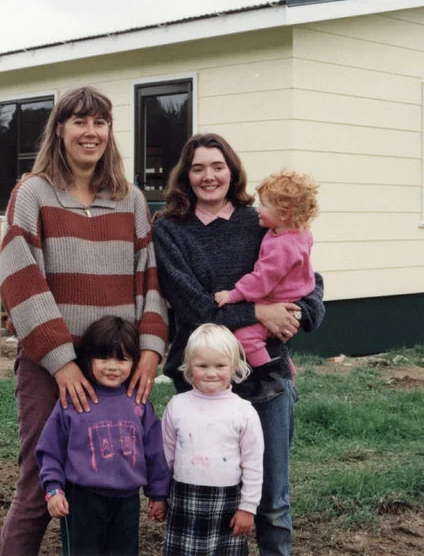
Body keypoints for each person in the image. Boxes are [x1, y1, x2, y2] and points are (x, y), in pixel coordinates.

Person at [0, 86, 168, 556]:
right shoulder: (31, 194)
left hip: (116, 370)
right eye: (78, 121)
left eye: (99, 123)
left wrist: (150, 350)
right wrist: (62, 363)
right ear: (60, 130)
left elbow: (150, 279)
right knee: (38, 487)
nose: (90, 132)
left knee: (112, 485)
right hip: (51, 368)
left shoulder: (130, 200)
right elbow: (20, 279)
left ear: (109, 132)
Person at [152, 133, 325, 556]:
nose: (208, 176)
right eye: (198, 168)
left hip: (267, 377)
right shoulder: (170, 231)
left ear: (232, 171)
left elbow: (309, 280)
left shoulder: (260, 219)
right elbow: (194, 307)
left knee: (270, 501)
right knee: (208, 496)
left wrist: (303, 313)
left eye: (217, 166)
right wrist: (259, 313)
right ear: (184, 176)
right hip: (203, 380)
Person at [36, 316, 169, 556]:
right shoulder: (73, 401)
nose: (112, 366)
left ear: (134, 362)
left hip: (127, 501)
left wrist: (158, 494)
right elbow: (50, 450)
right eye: (103, 357)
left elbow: (154, 451)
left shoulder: (138, 403)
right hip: (82, 500)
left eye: (122, 358)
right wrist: (54, 489)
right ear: (88, 358)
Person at [161, 323, 264, 556]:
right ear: (189, 366)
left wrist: (248, 508)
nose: (211, 373)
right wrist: (159, 495)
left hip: (227, 502)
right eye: (202, 365)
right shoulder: (177, 406)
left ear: (234, 366)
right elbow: (165, 456)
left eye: (219, 365)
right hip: (183, 498)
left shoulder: (244, 412)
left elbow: (253, 465)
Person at [214, 170, 319, 368]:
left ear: (284, 213)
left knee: (245, 338)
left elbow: (262, 280)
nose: (257, 210)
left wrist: (233, 295)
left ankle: (268, 371)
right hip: (293, 296)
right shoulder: (298, 232)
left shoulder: (281, 247)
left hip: (278, 301)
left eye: (263, 205)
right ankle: (283, 365)